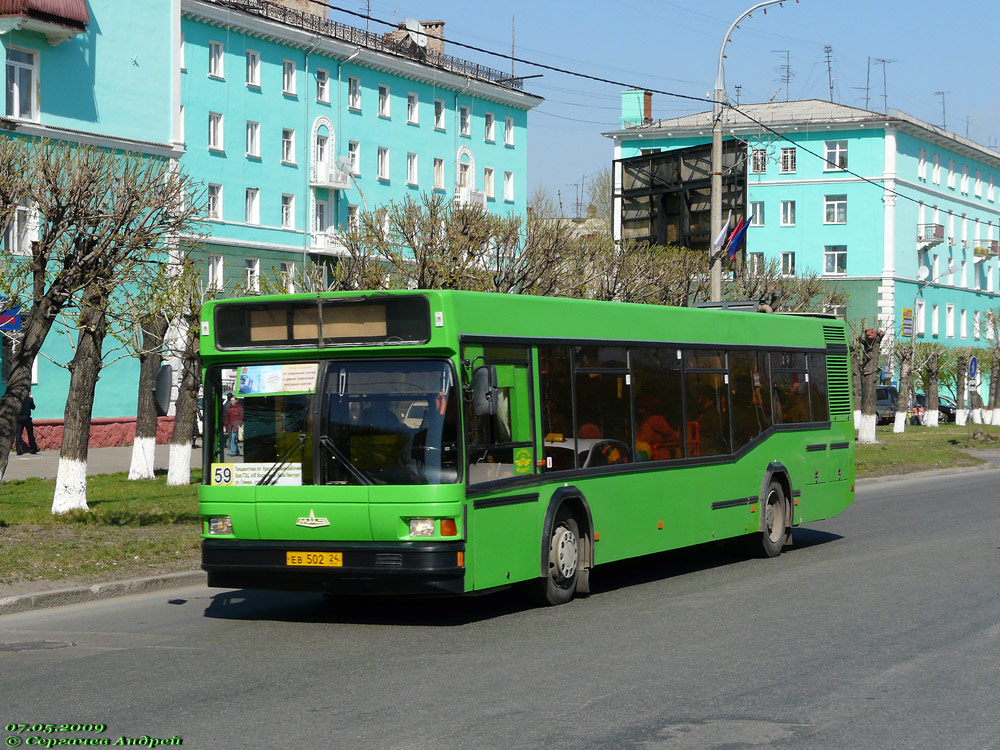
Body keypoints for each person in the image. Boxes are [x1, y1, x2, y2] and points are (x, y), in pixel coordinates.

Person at [636, 395, 680, 460]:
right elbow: (675, 437)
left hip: (652, 461)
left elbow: (639, 447)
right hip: (668, 458)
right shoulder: (664, 423)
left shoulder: (647, 426)